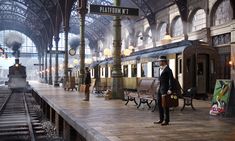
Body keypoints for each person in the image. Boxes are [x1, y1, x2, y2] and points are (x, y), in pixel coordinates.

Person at [154, 56, 174, 126]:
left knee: (165, 105)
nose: (159, 62)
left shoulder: (168, 70)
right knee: (159, 104)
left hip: (165, 89)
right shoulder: (160, 69)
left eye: (160, 61)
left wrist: (170, 89)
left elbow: (171, 80)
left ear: (163, 62)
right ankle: (161, 119)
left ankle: (166, 120)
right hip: (160, 89)